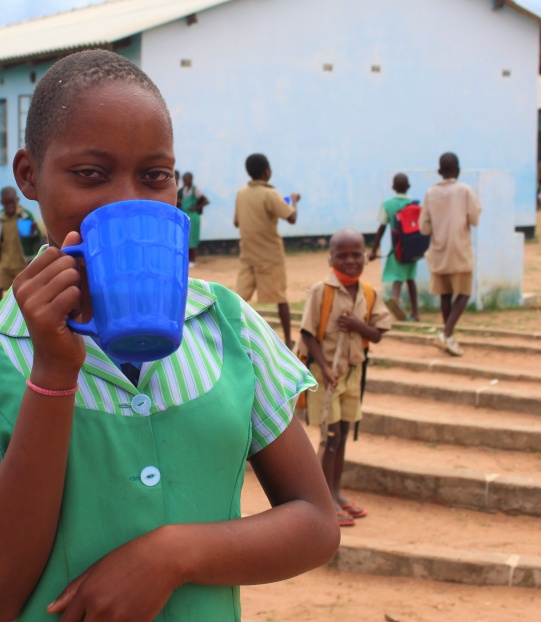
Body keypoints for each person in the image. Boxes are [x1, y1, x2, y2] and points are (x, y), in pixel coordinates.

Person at [0, 50, 339, 622]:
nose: (130, 200)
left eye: (155, 176)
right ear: (29, 175)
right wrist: (54, 373)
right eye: (90, 174)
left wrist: (172, 555)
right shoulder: (9, 346)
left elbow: (315, 522)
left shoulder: (229, 327)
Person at [300, 229, 391, 527]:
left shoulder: (368, 292)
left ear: (365, 256)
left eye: (356, 255)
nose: (351, 261)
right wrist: (325, 368)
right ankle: (323, 500)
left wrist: (356, 324)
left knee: (343, 436)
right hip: (326, 375)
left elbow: (377, 333)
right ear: (330, 259)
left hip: (352, 374)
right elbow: (308, 334)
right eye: (343, 256)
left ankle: (336, 493)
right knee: (331, 436)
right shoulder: (320, 291)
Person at [234, 153, 300, 348]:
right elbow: (292, 217)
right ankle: (288, 341)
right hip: (270, 255)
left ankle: (234, 338)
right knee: (281, 299)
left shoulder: (241, 194)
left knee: (239, 299)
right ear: (267, 172)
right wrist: (294, 200)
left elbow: (237, 221)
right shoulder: (270, 194)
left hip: (248, 255)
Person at [419, 152, 481, 357]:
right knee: (463, 293)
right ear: (459, 170)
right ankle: (446, 334)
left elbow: (424, 228)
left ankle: (449, 336)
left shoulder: (430, 194)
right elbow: (474, 219)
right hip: (460, 250)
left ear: (439, 172)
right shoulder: (465, 191)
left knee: (445, 295)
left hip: (438, 251)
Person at [368, 173, 420, 321]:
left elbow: (381, 228)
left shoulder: (388, 205)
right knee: (411, 279)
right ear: (408, 187)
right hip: (412, 248)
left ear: (393, 188)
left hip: (397, 247)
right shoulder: (414, 204)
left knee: (397, 277)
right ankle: (416, 312)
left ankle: (395, 298)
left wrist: (373, 249)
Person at [0, 186, 41, 298]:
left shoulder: (25, 216)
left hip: (22, 265)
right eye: (6, 203)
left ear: (17, 200)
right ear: (2, 202)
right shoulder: (1, 219)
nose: (9, 206)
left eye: (11, 202)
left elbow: (36, 239)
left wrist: (33, 232)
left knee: (24, 295)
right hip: (4, 266)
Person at [178, 171, 210, 267]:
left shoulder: (195, 190)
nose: (185, 181)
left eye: (187, 179)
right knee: (185, 238)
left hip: (193, 216)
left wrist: (196, 207)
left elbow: (206, 201)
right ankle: (187, 260)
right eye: (183, 180)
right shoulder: (182, 190)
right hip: (185, 216)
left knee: (192, 238)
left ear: (191, 179)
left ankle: (193, 260)